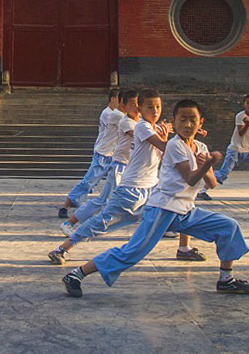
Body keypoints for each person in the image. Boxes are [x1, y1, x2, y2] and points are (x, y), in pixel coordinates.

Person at [61, 99, 249, 297]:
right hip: (163, 209)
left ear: (201, 123)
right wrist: (207, 164)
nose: (188, 125)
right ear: (174, 121)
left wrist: (207, 164)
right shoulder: (174, 145)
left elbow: (212, 183)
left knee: (228, 226)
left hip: (185, 210)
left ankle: (225, 280)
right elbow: (190, 178)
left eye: (193, 120)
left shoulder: (201, 147)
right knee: (133, 252)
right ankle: (77, 274)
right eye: (182, 120)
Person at [48, 88, 171, 265]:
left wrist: (172, 133)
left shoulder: (150, 127)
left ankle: (182, 246)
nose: (155, 111)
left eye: (158, 107)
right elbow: (165, 146)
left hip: (150, 186)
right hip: (129, 185)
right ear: (139, 108)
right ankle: (62, 247)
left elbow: (162, 150)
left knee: (169, 213)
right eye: (149, 107)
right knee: (102, 215)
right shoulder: (137, 125)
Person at [61, 89, 138, 232]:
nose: (137, 108)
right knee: (91, 185)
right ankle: (68, 210)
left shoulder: (126, 118)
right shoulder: (115, 115)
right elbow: (137, 132)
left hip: (117, 158)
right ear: (121, 102)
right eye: (133, 104)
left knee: (115, 198)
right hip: (105, 155)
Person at [58, 89, 120, 218]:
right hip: (104, 154)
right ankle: (66, 205)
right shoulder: (109, 114)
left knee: (114, 185)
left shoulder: (119, 115)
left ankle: (110, 209)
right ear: (113, 99)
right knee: (89, 182)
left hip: (115, 155)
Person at [200, 95, 249, 200]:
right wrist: (247, 124)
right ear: (244, 104)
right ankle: (202, 191)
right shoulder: (240, 116)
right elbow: (241, 133)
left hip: (248, 150)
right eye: (248, 103)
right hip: (235, 149)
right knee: (224, 173)